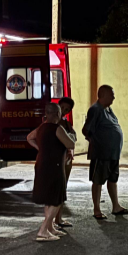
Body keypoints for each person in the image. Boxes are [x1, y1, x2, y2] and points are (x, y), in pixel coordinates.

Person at [27, 103, 76, 242]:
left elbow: (29, 137)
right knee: (57, 197)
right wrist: (70, 135)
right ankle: (43, 229)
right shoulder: (57, 128)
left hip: (42, 164)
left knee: (48, 198)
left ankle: (50, 227)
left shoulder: (41, 127)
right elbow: (70, 144)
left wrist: (40, 148)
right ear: (57, 114)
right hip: (54, 165)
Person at [82, 84, 128, 220]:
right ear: (103, 95)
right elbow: (86, 130)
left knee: (113, 179)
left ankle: (116, 206)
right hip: (101, 153)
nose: (114, 97)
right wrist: (97, 142)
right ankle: (96, 209)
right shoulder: (95, 110)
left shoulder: (108, 109)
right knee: (98, 180)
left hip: (113, 153)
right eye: (111, 95)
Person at [52, 96, 76, 229]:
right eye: (63, 108)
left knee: (62, 188)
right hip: (57, 159)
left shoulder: (66, 122)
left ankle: (58, 218)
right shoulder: (52, 122)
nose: (65, 111)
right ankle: (53, 220)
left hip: (66, 159)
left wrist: (71, 151)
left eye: (67, 109)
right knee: (57, 190)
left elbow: (73, 138)